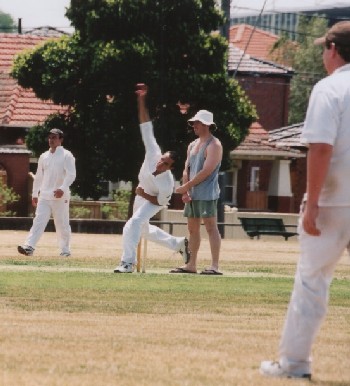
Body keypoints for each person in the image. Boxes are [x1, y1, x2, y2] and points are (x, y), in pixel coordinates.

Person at [260, 20, 350, 379]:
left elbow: (321, 148)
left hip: (333, 203)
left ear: (332, 49)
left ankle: (295, 365)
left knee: (312, 282)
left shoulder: (330, 88)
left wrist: (311, 203)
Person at [113, 84, 190, 273]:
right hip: (142, 193)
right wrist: (141, 99)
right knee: (142, 229)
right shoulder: (153, 151)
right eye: (161, 159)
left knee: (132, 224)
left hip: (154, 200)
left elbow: (160, 201)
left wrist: (142, 194)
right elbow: (145, 125)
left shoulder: (167, 183)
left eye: (165, 164)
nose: (160, 164)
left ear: (171, 167)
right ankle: (178, 244)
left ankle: (127, 263)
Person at [170, 109, 223, 274]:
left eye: (197, 123)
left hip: (207, 193)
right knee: (192, 229)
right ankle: (191, 265)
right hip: (192, 194)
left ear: (206, 125)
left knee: (210, 227)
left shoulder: (215, 145)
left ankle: (214, 266)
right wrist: (186, 190)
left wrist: (186, 187)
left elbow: (206, 171)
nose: (194, 125)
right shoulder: (192, 144)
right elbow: (187, 168)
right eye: (193, 123)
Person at [18, 128, 76, 257]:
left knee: (62, 224)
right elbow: (38, 176)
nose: (51, 140)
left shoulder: (67, 155)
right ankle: (29, 247)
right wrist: (34, 194)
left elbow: (71, 175)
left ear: (61, 139)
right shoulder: (44, 156)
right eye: (50, 137)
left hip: (61, 196)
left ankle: (65, 251)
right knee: (38, 221)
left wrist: (62, 188)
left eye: (54, 137)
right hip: (44, 195)